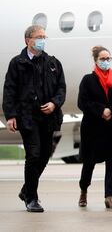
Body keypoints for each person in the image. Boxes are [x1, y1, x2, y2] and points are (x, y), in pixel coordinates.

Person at [2, 25, 66, 212]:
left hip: (48, 117)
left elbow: (61, 88)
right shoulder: (17, 63)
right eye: (39, 37)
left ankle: (26, 189)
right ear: (27, 40)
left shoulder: (53, 63)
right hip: (27, 117)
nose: (42, 40)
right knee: (34, 155)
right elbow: (9, 91)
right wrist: (11, 116)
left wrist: (55, 103)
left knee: (45, 155)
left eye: (44, 37)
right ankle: (32, 199)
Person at [77, 46, 112, 209]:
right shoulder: (88, 80)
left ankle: (110, 196)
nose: (106, 62)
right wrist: (100, 110)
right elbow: (82, 102)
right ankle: (83, 190)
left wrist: (111, 110)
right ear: (96, 61)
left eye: (108, 59)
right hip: (93, 127)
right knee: (89, 163)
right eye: (102, 59)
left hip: (111, 127)